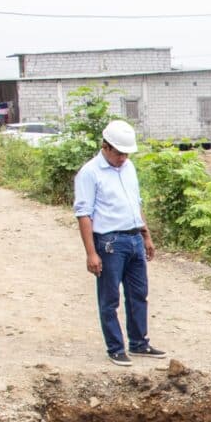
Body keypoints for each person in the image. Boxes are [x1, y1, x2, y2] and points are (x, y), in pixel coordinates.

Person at [74, 119, 166, 366]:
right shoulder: (90, 173)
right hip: (109, 243)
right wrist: (91, 253)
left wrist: (146, 235)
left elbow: (135, 203)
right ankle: (115, 347)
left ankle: (139, 342)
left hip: (134, 237)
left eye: (126, 153)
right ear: (106, 146)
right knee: (110, 297)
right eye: (119, 153)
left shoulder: (129, 168)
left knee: (139, 294)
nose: (123, 157)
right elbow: (84, 214)